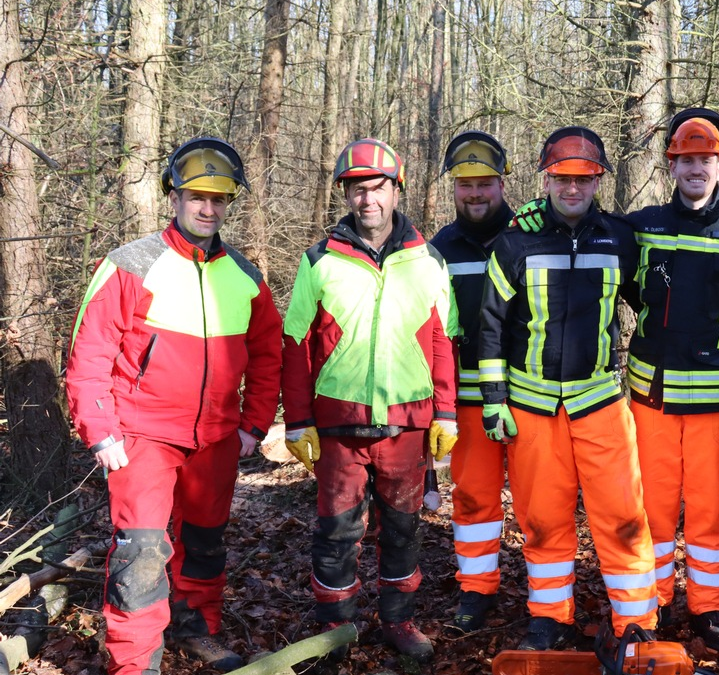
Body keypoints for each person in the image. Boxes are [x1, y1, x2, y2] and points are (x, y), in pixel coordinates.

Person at [65, 137, 282, 675]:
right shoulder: (131, 264)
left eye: (219, 199)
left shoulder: (246, 277)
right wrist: (100, 427)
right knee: (141, 552)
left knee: (205, 542)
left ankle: (196, 627)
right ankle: (133, 662)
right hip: (141, 434)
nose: (208, 208)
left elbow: (268, 356)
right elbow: (90, 351)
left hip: (217, 437)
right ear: (174, 198)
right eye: (197, 197)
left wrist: (254, 422)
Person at [477, 126, 658, 650]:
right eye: (562, 178)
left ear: (598, 180)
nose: (572, 189)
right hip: (531, 407)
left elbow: (648, 302)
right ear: (547, 179)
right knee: (543, 518)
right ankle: (549, 616)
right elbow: (491, 324)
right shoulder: (515, 241)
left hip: (601, 401)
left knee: (623, 515)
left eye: (584, 178)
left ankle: (635, 621)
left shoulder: (621, 238)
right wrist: (494, 402)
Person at [281, 138, 458, 663]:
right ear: (346, 193)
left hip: (406, 425)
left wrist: (445, 413)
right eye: (357, 189)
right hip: (340, 426)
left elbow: (444, 341)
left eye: (378, 186)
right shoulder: (319, 261)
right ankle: (335, 626)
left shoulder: (428, 260)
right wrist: (297, 421)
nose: (368, 199)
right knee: (337, 532)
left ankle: (397, 620)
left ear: (395, 190)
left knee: (402, 528)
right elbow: (295, 346)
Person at [623, 108, 719, 653]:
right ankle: (653, 600)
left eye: (705, 159)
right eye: (686, 159)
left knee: (709, 511)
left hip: (717, 402)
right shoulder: (641, 229)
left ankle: (708, 608)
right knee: (653, 507)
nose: (696, 168)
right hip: (651, 398)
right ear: (671, 166)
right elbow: (620, 282)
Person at [428, 130, 516, 633]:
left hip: (526, 398)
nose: (476, 193)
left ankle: (548, 595)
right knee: (474, 497)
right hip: (464, 399)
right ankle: (476, 588)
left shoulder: (528, 234)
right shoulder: (438, 249)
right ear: (453, 189)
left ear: (502, 183)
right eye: (466, 184)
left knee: (537, 502)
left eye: (485, 182)